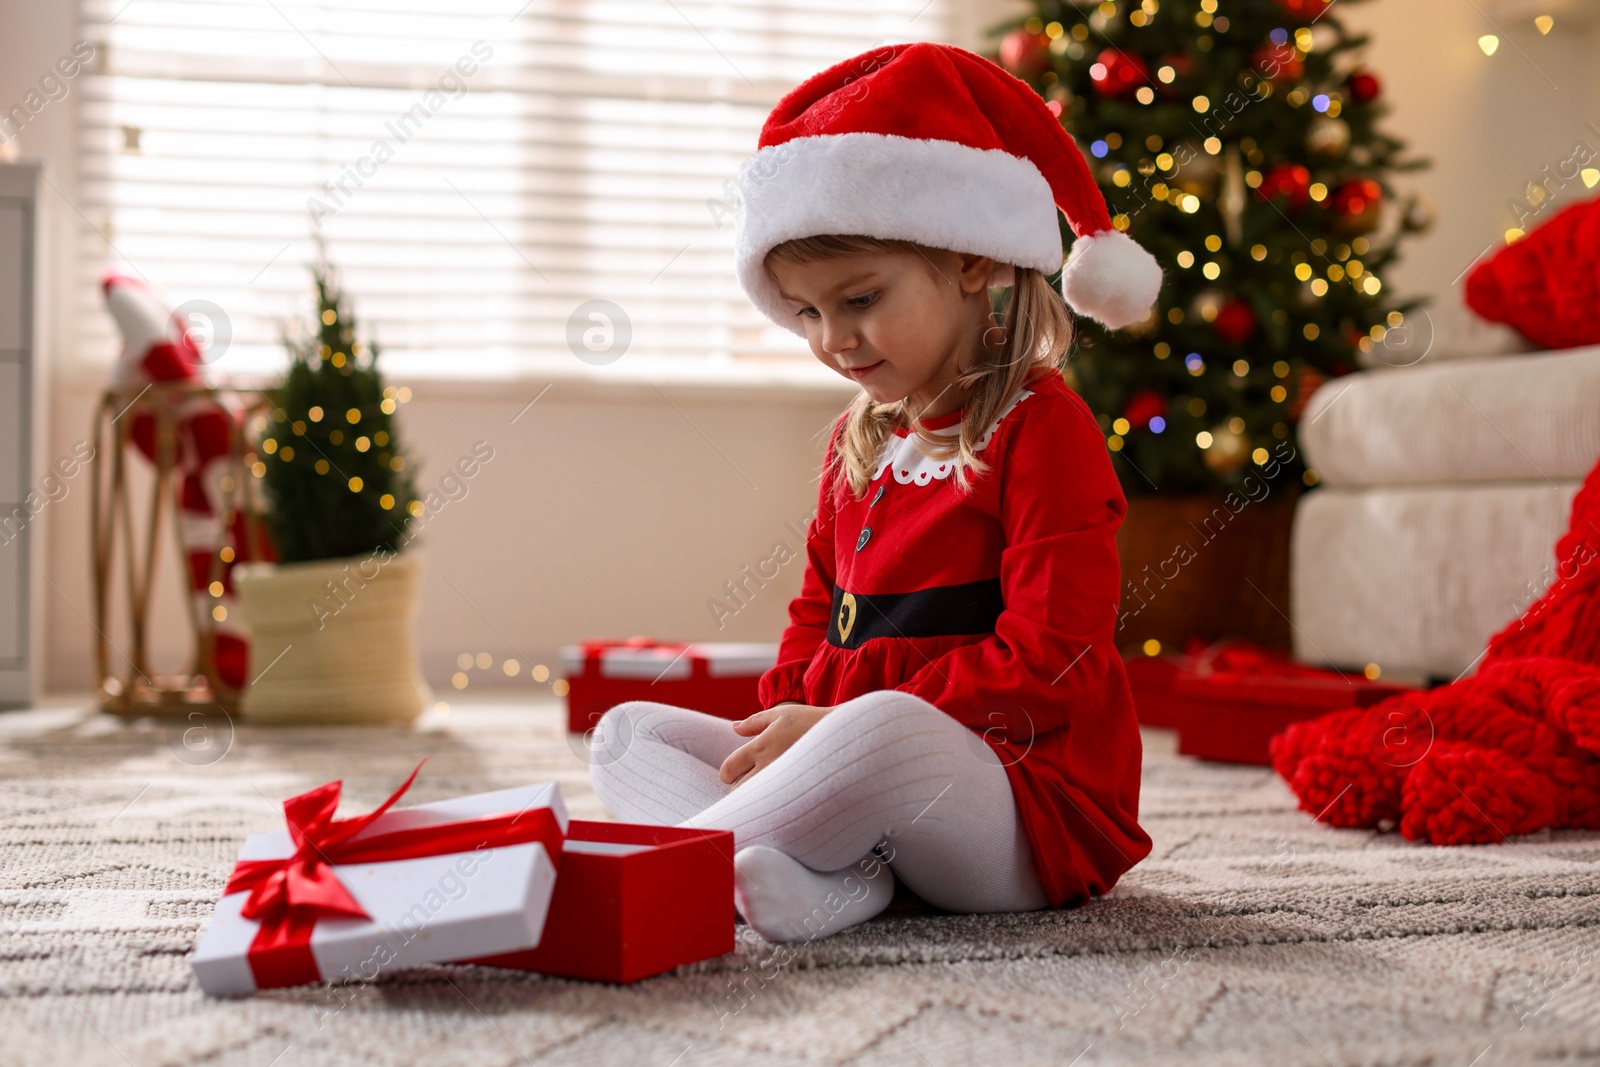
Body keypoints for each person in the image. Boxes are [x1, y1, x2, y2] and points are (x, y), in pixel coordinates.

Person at [588, 40, 1164, 943]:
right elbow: (817, 614)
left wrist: (830, 733)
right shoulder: (863, 443)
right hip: (859, 763)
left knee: (887, 727)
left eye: (859, 299)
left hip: (1022, 795)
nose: (831, 341)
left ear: (972, 260)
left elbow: (1052, 659)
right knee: (628, 734)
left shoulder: (1043, 431)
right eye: (808, 311)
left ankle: (653, 870)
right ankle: (839, 878)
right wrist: (783, 715)